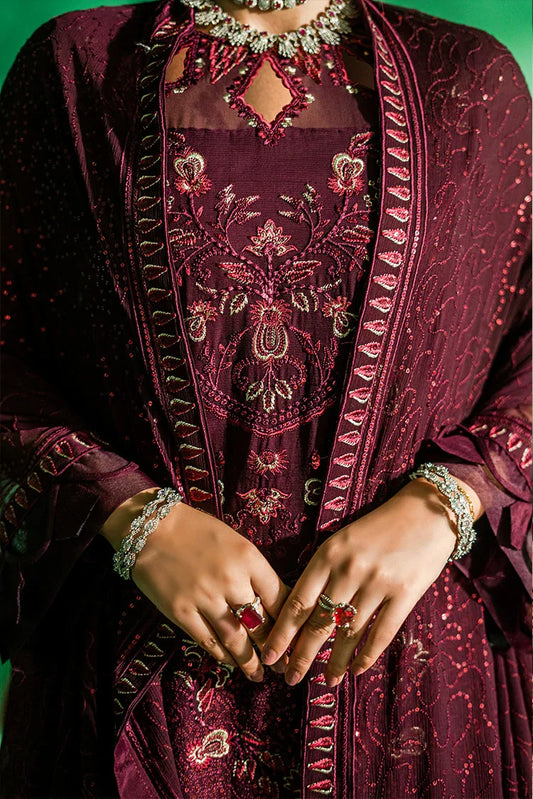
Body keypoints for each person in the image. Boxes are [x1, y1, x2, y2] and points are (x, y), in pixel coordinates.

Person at [0, 0, 530, 796]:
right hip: (140, 666)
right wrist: (129, 514)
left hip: (412, 680)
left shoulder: (465, 81)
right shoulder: (78, 66)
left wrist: (445, 502)